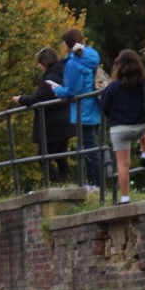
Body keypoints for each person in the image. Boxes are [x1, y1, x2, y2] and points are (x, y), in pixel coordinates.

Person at [47, 28, 103, 188]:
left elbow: (72, 91)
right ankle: (95, 183)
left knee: (89, 148)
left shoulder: (74, 63)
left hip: (83, 110)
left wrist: (57, 90)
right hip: (94, 106)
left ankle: (97, 185)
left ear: (67, 44)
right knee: (91, 146)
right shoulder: (90, 56)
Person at [12, 46, 71, 184]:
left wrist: (21, 99)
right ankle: (66, 183)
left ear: (45, 62)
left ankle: (55, 183)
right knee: (61, 156)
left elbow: (37, 98)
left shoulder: (49, 79)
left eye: (39, 63)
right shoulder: (63, 74)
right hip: (65, 121)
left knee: (43, 157)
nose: (39, 66)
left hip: (52, 125)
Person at [100, 49, 145, 203]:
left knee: (122, 164)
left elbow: (104, 107)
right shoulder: (144, 85)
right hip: (139, 126)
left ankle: (125, 197)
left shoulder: (113, 87)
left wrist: (113, 117)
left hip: (119, 129)